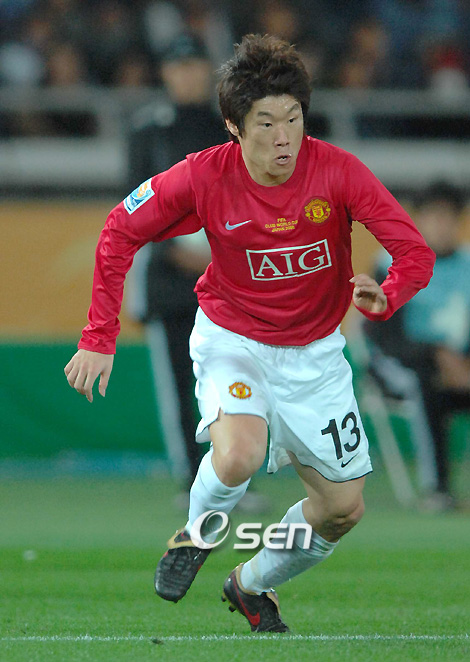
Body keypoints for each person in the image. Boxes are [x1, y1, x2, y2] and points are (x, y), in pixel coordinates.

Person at [65, 34, 435, 633]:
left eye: (293, 118)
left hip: (316, 356)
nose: (284, 136)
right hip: (232, 339)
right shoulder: (204, 176)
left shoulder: (338, 171)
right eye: (266, 122)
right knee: (238, 454)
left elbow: (414, 252)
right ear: (234, 127)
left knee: (343, 509)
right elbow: (119, 229)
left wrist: (387, 293)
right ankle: (195, 533)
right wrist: (98, 335)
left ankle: (251, 583)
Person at [125, 32, 226, 491]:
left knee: (230, 382)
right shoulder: (148, 130)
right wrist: (179, 252)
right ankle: (192, 479)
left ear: (208, 70)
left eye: (194, 65)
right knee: (179, 387)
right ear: (165, 73)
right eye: (178, 66)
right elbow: (134, 203)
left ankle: (231, 478)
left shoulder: (230, 127)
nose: (187, 75)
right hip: (169, 280)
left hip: (226, 279)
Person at [364, 181, 470, 511]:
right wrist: (436, 356)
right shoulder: (391, 263)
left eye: (448, 216)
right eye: (433, 216)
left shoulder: (467, 267)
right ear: (418, 220)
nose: (441, 224)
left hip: (459, 366)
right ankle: (437, 488)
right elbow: (382, 334)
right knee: (423, 383)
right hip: (399, 364)